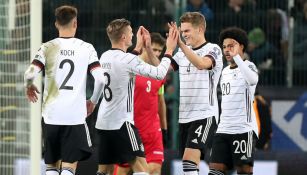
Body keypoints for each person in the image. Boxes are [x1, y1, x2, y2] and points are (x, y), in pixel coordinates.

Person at [24, 5, 104, 175]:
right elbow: (100, 79)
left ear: (56, 24)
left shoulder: (47, 47)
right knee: (69, 166)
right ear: (75, 23)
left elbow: (29, 73)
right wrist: (93, 101)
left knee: (52, 166)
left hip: (51, 115)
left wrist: (29, 85)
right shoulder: (86, 47)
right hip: (74, 116)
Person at [95, 19, 178, 175]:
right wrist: (170, 50)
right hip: (122, 123)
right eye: (130, 33)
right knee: (141, 167)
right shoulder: (129, 60)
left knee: (104, 170)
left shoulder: (105, 56)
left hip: (104, 123)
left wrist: (139, 47)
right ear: (124, 38)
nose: (133, 34)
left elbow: (124, 63)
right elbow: (160, 73)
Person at [169, 11, 223, 175]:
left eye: (186, 31)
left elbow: (201, 63)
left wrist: (181, 45)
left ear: (200, 29)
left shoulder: (214, 49)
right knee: (191, 165)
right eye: (182, 31)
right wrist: (149, 49)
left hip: (204, 114)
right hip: (185, 116)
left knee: (189, 160)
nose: (183, 35)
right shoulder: (181, 53)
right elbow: (162, 70)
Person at [115, 33, 168, 175]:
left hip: (152, 132)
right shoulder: (130, 67)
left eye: (159, 51)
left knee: (155, 170)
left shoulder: (158, 72)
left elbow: (160, 101)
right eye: (154, 49)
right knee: (121, 171)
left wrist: (164, 129)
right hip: (131, 130)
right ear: (145, 46)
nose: (156, 53)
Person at [208, 27, 259, 175]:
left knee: (244, 171)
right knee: (215, 172)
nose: (227, 50)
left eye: (231, 45)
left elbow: (252, 79)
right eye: (224, 47)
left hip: (243, 129)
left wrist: (237, 58)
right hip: (223, 129)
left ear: (241, 46)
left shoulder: (249, 66)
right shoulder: (224, 72)